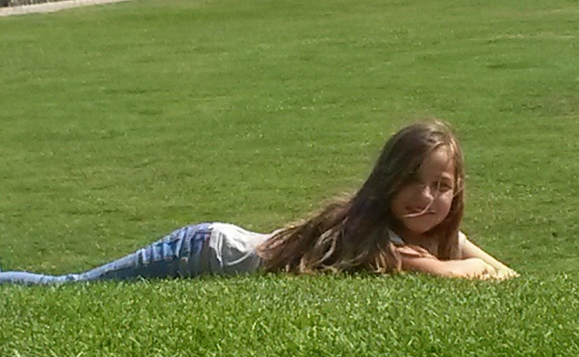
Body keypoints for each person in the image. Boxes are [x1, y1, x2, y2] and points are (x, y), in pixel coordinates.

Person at [0, 119, 517, 286]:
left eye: (442, 186)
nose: (428, 197)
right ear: (388, 182)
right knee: (69, 287)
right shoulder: (377, 239)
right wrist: (472, 258)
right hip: (200, 250)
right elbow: (458, 274)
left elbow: (509, 277)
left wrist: (461, 244)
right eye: (414, 182)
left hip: (213, 246)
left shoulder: (419, 230)